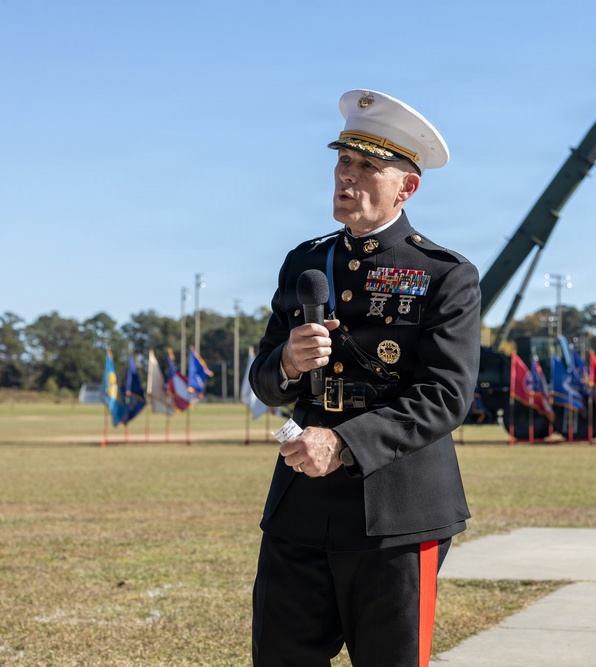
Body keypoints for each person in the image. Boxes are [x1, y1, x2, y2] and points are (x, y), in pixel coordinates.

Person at [249, 89, 481, 667]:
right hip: (301, 505)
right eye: (343, 162)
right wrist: (286, 362)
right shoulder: (304, 262)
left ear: (408, 186)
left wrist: (343, 441)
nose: (347, 177)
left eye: (368, 167)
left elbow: (445, 396)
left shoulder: (444, 275)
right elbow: (264, 379)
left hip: (398, 511)